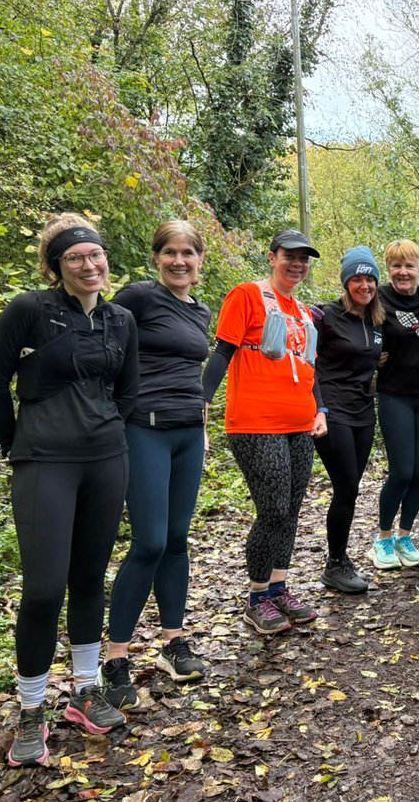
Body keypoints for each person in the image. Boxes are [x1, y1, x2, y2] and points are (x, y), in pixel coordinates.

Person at [0, 213, 138, 766]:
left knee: (90, 578)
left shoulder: (121, 320)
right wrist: (14, 439)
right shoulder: (30, 310)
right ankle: (30, 710)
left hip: (106, 459)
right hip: (44, 460)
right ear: (56, 267)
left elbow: (128, 388)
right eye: (76, 258)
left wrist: (107, 428)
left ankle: (85, 690)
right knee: (45, 588)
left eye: (95, 255)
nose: (89, 265)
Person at [98, 221, 213, 711]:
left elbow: (194, 372)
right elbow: (104, 347)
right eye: (170, 251)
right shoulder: (139, 298)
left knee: (177, 539)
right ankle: (115, 658)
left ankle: (173, 640)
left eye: (188, 252)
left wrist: (203, 427)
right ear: (157, 257)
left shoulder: (202, 310)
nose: (179, 260)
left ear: (200, 260)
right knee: (149, 541)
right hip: (143, 428)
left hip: (189, 432)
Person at [202, 229, 328, 635]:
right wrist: (202, 399)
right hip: (256, 423)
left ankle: (279, 587)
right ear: (272, 257)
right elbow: (223, 350)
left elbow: (309, 367)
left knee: (290, 511)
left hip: (299, 422)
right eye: (290, 256)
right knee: (272, 509)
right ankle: (257, 597)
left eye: (304, 259)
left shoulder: (303, 310)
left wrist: (320, 409)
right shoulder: (247, 295)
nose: (297, 264)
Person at [369, 240, 419, 570]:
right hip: (395, 395)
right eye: (396, 266)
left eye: (409, 265)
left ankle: (405, 536)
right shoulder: (379, 297)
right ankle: (383, 539)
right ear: (388, 270)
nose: (403, 272)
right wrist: (372, 358)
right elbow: (356, 328)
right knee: (401, 471)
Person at [311, 246, 382, 593]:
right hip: (331, 411)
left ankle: (338, 560)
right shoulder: (325, 315)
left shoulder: (377, 319)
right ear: (346, 282)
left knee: (350, 490)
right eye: (357, 278)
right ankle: (336, 562)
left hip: (364, 412)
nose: (364, 285)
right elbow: (304, 359)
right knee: (347, 486)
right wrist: (317, 406)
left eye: (369, 278)